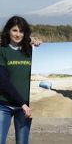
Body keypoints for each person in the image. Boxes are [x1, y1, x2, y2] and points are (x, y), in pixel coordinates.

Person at [0, 16, 34, 144]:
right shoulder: (2, 51)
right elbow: (3, 82)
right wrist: (22, 103)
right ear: (8, 31)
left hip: (25, 108)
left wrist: (38, 44)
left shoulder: (31, 51)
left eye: (21, 31)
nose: (18, 34)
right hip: (4, 105)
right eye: (14, 30)